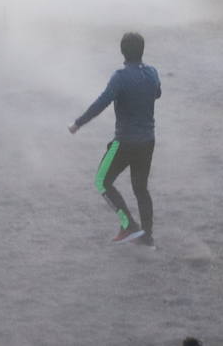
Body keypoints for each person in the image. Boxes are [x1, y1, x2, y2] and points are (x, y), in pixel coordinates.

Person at [68, 32, 161, 246]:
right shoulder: (153, 72)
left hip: (125, 142)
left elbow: (101, 103)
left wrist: (78, 123)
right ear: (142, 50)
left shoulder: (120, 77)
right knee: (141, 188)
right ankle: (146, 235)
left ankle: (128, 224)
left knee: (101, 180)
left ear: (122, 52)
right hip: (148, 141)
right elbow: (157, 94)